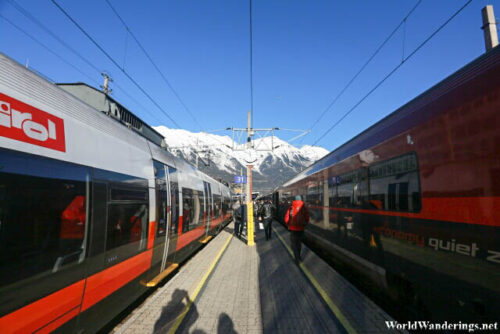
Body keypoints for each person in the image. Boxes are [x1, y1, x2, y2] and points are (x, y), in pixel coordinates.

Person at [284, 195, 309, 264]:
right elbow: (307, 217)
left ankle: (296, 258)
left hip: (293, 229)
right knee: (299, 243)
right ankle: (299, 257)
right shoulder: (304, 207)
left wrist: (288, 225)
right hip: (301, 229)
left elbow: (286, 219)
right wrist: (305, 224)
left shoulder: (291, 207)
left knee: (294, 244)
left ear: (294, 200)